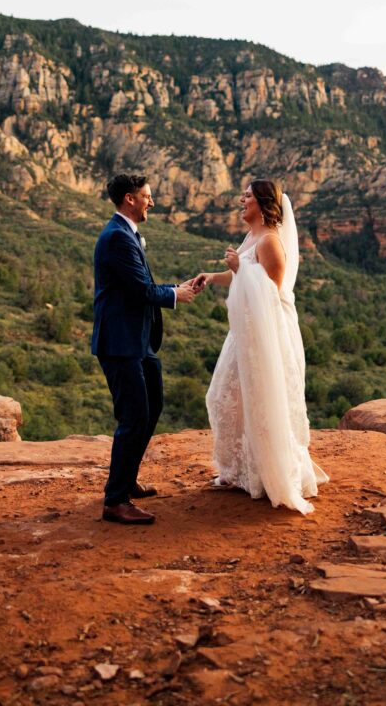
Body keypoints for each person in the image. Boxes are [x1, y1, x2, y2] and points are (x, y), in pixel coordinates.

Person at [194, 179, 328, 515]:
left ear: (264, 204)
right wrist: (212, 276)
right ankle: (239, 470)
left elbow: (272, 291)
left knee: (264, 397)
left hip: (268, 335)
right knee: (228, 395)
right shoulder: (252, 237)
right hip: (246, 331)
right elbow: (241, 274)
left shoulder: (270, 242)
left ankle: (269, 474)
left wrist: (240, 268)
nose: (242, 200)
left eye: (248, 196)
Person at [92, 173, 198, 525]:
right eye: (147, 196)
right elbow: (141, 291)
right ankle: (115, 500)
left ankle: (127, 479)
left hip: (139, 341)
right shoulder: (118, 238)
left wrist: (176, 288)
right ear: (130, 199)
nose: (152, 202)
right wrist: (175, 294)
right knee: (134, 416)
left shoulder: (126, 235)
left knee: (152, 408)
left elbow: (141, 286)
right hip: (121, 343)